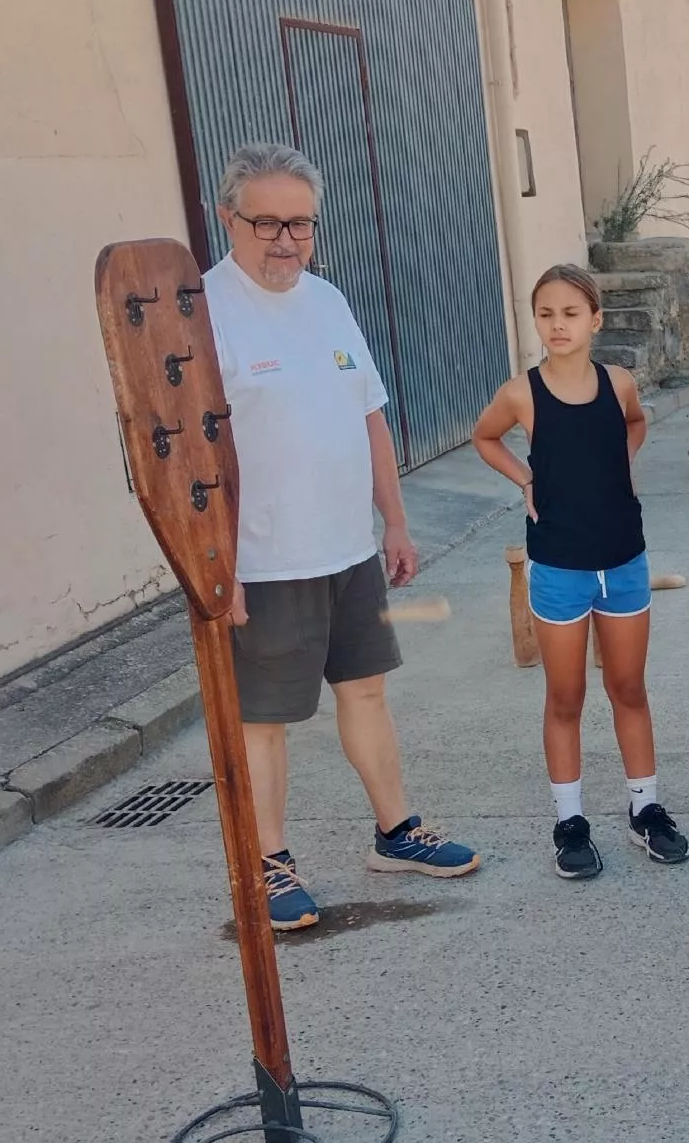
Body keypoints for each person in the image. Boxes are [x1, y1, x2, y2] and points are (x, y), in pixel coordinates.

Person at [205, 144, 482, 929]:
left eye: (301, 223)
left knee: (366, 691)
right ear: (230, 220)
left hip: (347, 548)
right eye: (267, 222)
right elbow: (185, 459)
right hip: (262, 558)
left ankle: (396, 832)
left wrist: (393, 521)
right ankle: (268, 864)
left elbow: (369, 417)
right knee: (264, 721)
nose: (286, 240)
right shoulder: (202, 313)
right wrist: (216, 570)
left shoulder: (328, 301)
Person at [471, 265, 689, 879]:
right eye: (546, 314)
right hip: (559, 564)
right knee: (565, 697)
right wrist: (527, 478)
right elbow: (484, 437)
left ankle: (644, 809)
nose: (558, 325)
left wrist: (620, 462)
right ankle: (569, 820)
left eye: (571, 313)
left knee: (629, 688)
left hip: (623, 559)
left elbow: (637, 422)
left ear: (596, 319)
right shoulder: (522, 392)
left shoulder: (617, 383)